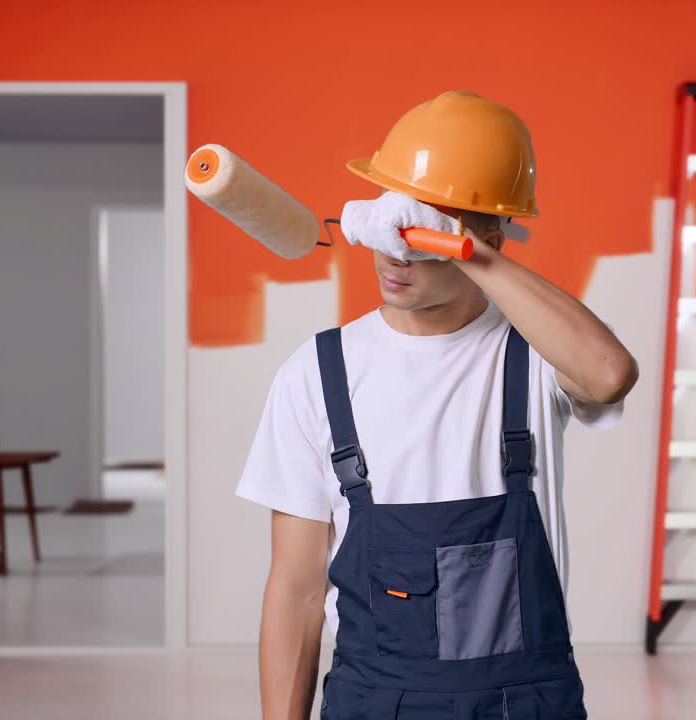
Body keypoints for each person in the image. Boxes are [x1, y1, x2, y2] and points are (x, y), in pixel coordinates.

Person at [238, 90, 638, 719]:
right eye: (392, 219)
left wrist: (466, 249)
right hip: (374, 701)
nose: (397, 251)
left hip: (524, 703)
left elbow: (611, 374)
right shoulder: (316, 375)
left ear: (490, 237)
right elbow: (295, 589)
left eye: (422, 228)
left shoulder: (532, 357)